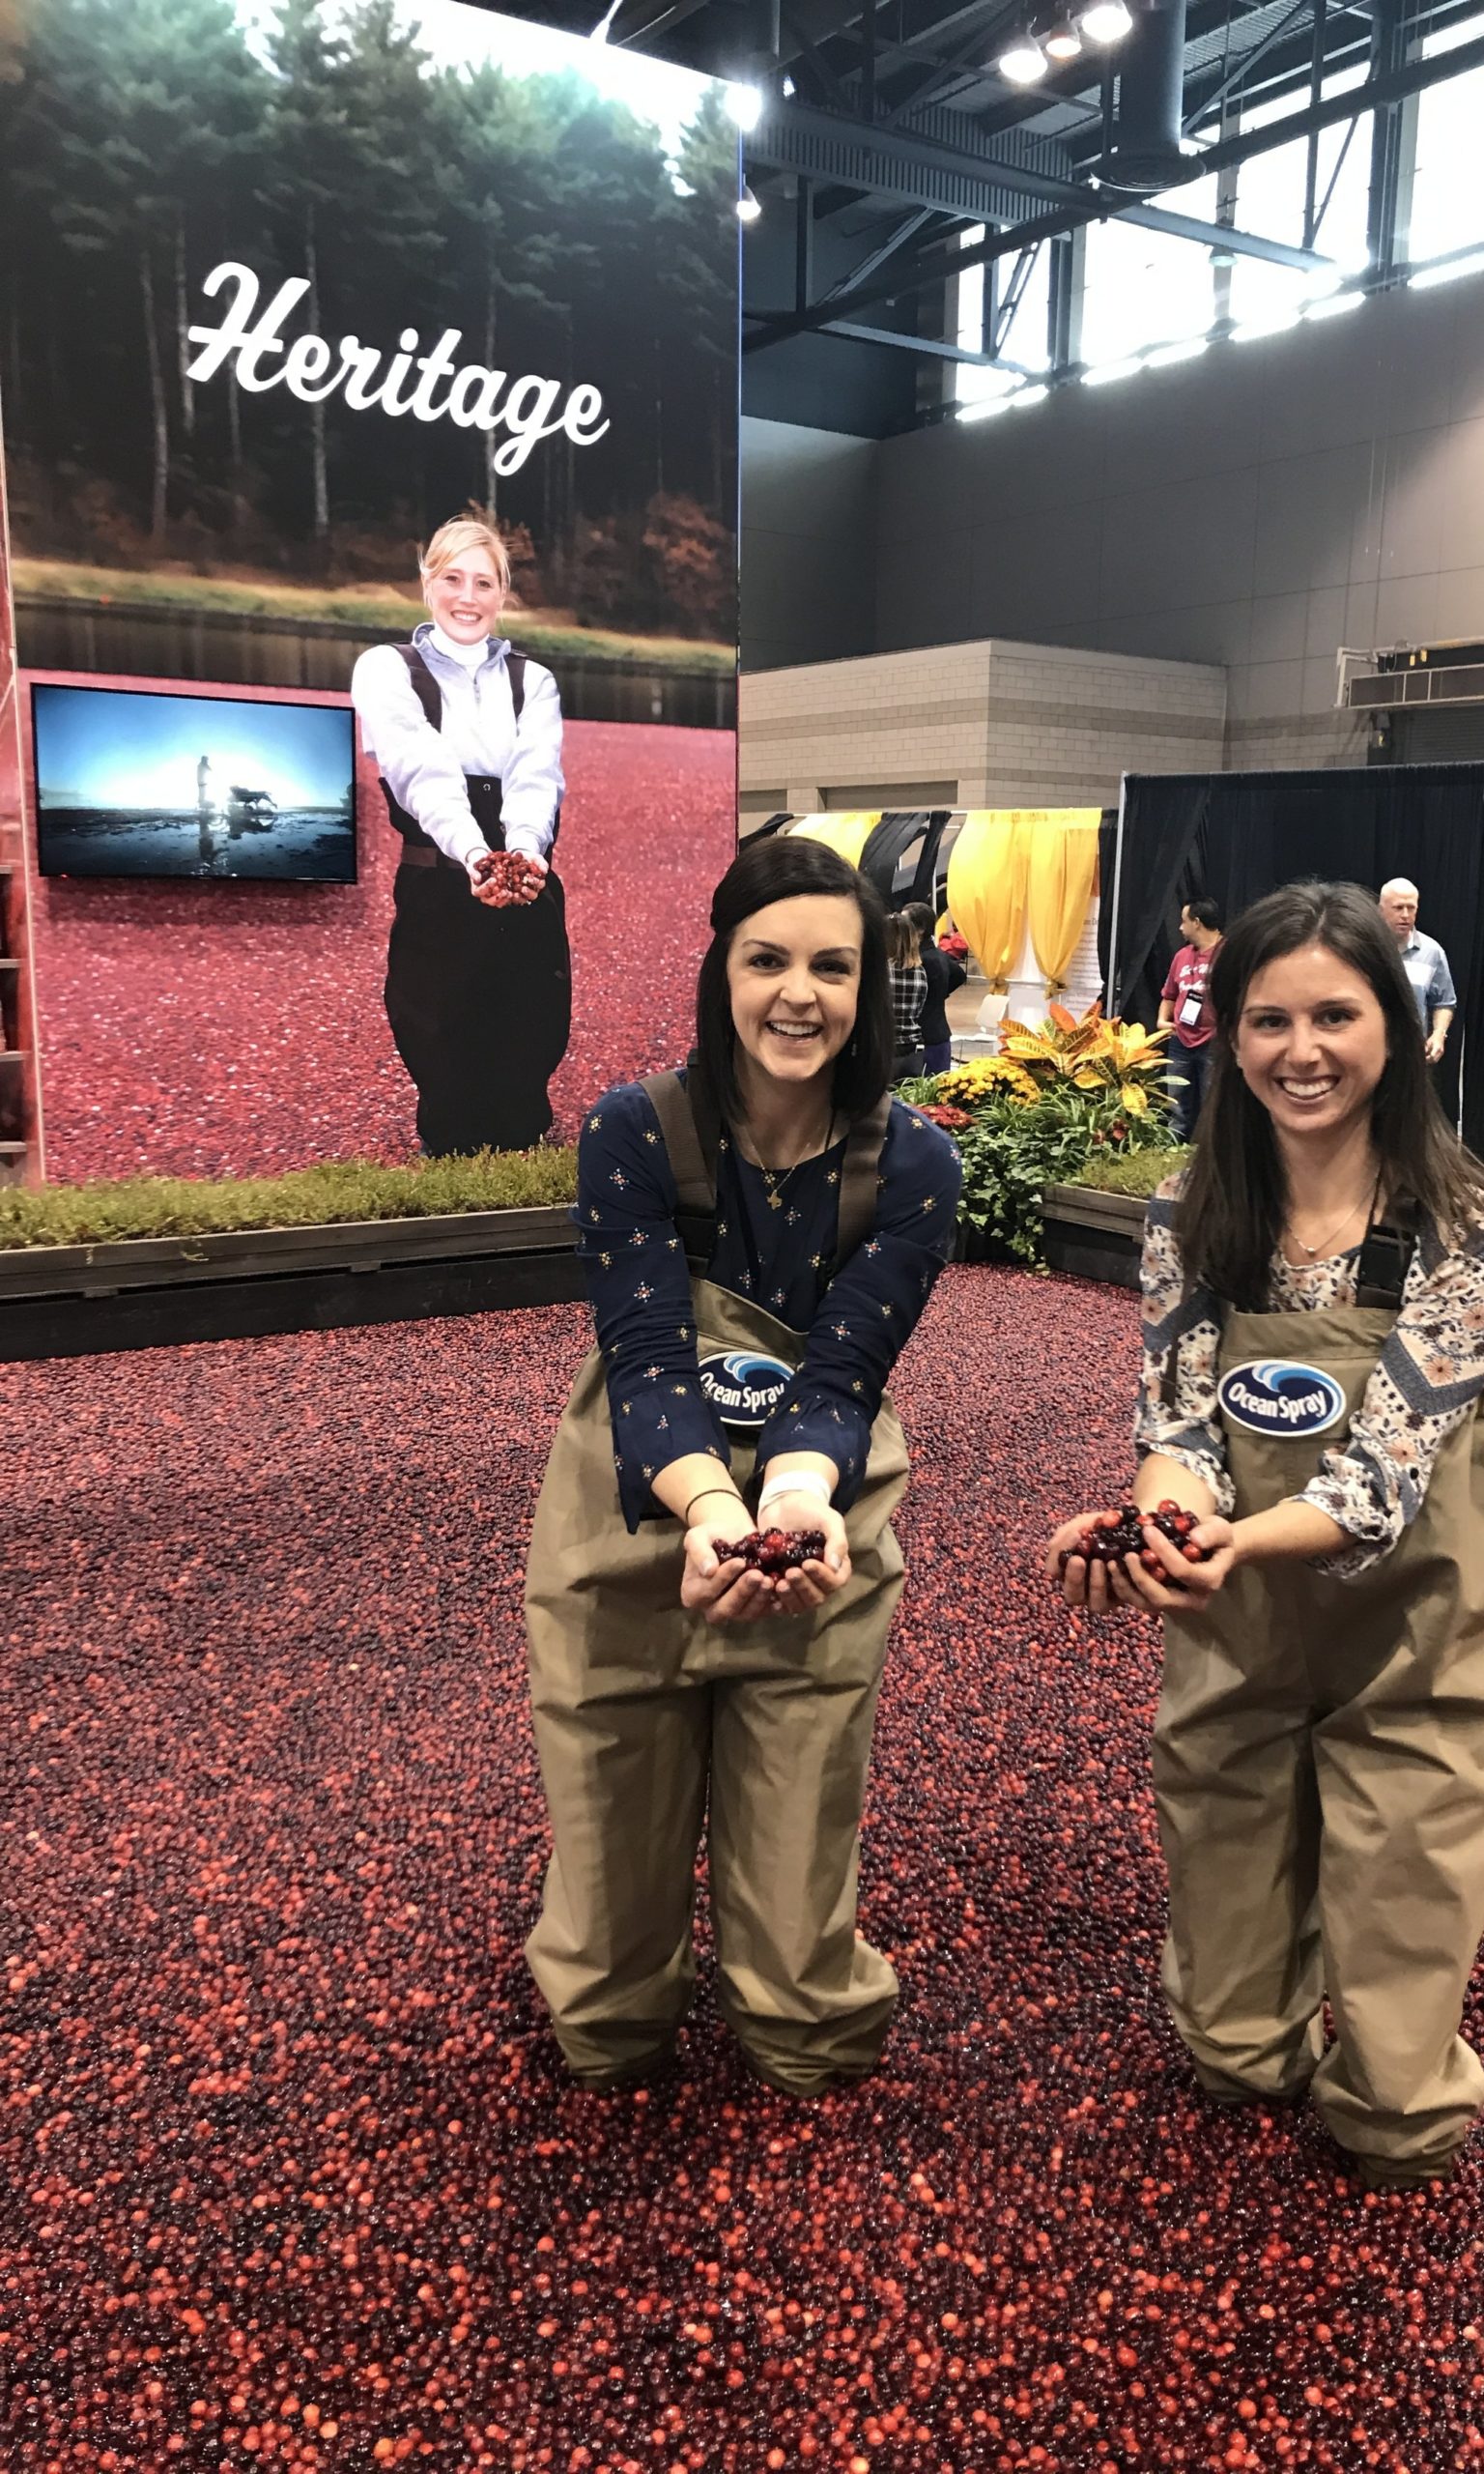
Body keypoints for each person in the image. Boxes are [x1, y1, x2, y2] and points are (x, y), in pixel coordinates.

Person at [1044, 879, 1484, 2189]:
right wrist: (1151, 1525)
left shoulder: (1469, 1224)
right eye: (1269, 1019)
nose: (1301, 1050)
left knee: (1391, 2113)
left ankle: (1394, 2063)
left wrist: (1229, 1545)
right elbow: (1183, 1424)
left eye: (1336, 1013)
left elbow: (1381, 1475)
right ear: (1231, 1033)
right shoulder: (1188, 1213)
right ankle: (1254, 2006)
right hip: (1249, 1628)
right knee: (1230, 2053)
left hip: (1427, 1628)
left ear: (1397, 1023)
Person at [524, 836, 962, 2097]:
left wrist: (793, 1501)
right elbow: (649, 1357)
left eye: (833, 965)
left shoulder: (916, 1165)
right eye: (767, 958)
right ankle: (615, 2001)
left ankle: (803, 2017)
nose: (798, 993)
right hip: (634, 1521)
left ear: (871, 983)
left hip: (812, 1512)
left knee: (799, 1951)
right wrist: (714, 1504)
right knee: (606, 1985)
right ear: (721, 966)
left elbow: (840, 1372)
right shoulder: (633, 1131)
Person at [350, 515, 569, 1157]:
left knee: (532, 1019)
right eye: (452, 578)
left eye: (483, 582)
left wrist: (524, 855)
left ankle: (523, 1149)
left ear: (503, 594)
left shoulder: (535, 680)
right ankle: (449, 1155)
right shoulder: (388, 668)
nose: (467, 597)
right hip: (438, 880)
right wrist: (474, 854)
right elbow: (421, 766)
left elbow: (537, 775)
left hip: (526, 878)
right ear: (427, 584)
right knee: (437, 1023)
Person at [1157, 898, 1224, 1138]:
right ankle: (1171, 1150)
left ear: (1197, 923)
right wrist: (1162, 1020)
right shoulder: (1181, 956)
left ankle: (1208, 1156)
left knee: (1212, 1103)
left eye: (1183, 921)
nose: (1179, 928)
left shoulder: (1228, 953)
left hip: (1214, 1041)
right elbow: (1169, 994)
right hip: (1180, 1041)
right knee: (1176, 1103)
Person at [1378, 878, 1456, 1069]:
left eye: (1411, 908)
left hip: (1411, 1058)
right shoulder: (1363, 948)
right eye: (1398, 908)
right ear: (1380, 910)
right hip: (1367, 1053)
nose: (1405, 915)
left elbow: (1444, 1001)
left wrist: (1439, 1034)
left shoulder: (1432, 952)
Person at [906, 900, 967, 1076]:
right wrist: (940, 994)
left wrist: (936, 996)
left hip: (927, 1040)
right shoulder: (938, 954)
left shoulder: (922, 961)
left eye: (905, 924)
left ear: (920, 930)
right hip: (938, 1035)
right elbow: (959, 975)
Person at [886, 906, 928, 1082]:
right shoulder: (921, 972)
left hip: (883, 1047)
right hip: (911, 1049)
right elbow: (919, 1010)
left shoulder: (878, 972)